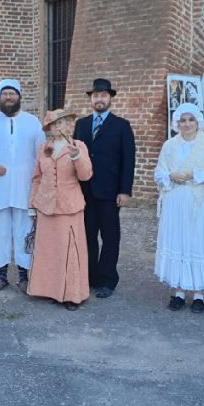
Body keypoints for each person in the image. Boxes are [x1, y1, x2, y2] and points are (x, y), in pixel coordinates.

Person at [154, 103, 204, 313]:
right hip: (175, 201)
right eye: (182, 120)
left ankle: (198, 294)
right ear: (177, 123)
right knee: (177, 241)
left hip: (199, 202)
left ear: (198, 122)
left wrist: (195, 174)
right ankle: (178, 292)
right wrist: (170, 175)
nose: (187, 124)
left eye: (191, 120)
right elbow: (158, 172)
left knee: (197, 242)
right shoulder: (169, 146)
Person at [0, 79, 45, 293]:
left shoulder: (33, 122)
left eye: (12, 93)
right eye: (5, 94)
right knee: (0, 230)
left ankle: (24, 275)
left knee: (24, 229)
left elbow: (41, 155)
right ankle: (2, 274)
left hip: (25, 186)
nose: (8, 97)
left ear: (19, 97)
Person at [73, 78, 136, 299]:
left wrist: (125, 190)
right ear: (91, 99)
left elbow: (128, 160)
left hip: (110, 192)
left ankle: (107, 280)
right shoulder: (81, 124)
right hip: (85, 191)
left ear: (110, 98)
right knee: (88, 236)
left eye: (103, 95)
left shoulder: (122, 126)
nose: (99, 99)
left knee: (110, 237)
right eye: (95, 96)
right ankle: (90, 277)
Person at [28, 109, 93, 310]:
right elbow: (37, 177)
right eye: (54, 124)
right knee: (50, 251)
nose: (58, 127)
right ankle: (51, 291)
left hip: (69, 206)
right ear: (49, 128)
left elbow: (86, 175)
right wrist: (32, 204)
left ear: (68, 125)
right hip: (46, 206)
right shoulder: (44, 148)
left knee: (70, 251)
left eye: (62, 123)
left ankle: (72, 295)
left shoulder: (78, 146)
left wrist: (76, 157)